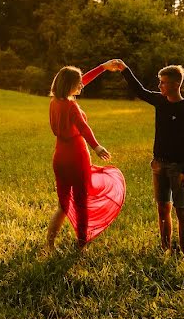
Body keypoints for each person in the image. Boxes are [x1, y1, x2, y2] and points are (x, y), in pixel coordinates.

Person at [114, 60, 184, 256]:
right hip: (158, 164)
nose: (159, 86)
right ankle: (165, 248)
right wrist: (125, 69)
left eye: (163, 82)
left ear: (176, 84)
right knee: (162, 208)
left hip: (178, 168)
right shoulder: (160, 101)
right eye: (159, 82)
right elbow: (140, 91)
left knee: (181, 210)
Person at [46, 60, 126, 251]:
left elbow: (82, 81)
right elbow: (83, 127)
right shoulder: (72, 107)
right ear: (70, 86)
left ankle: (49, 243)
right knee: (81, 203)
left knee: (63, 205)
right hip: (77, 157)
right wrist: (97, 147)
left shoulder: (55, 102)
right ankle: (81, 245)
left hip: (59, 158)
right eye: (78, 84)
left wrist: (102, 68)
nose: (82, 85)